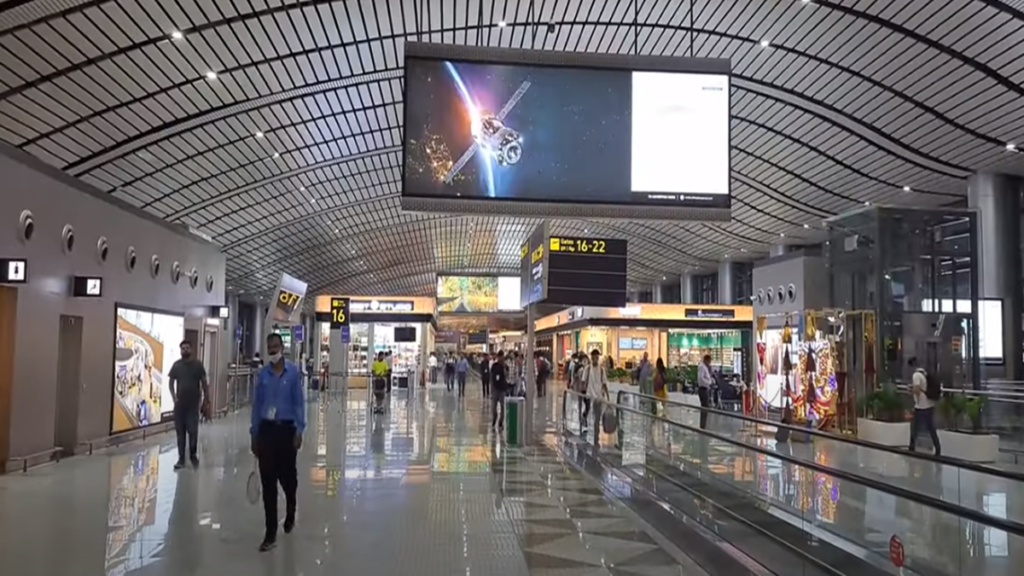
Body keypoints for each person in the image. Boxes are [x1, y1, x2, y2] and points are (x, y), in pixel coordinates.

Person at [251, 333, 306, 552]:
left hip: (286, 430)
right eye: (270, 347)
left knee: (288, 478)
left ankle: (291, 507)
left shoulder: (292, 374)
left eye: (276, 346)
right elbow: (257, 406)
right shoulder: (262, 375)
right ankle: (270, 532)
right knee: (268, 483)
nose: (273, 351)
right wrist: (254, 434)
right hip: (266, 431)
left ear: (282, 347)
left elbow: (299, 403)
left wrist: (299, 430)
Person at [168, 340, 209, 470]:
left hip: (193, 405)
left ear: (191, 350)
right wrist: (174, 397)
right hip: (180, 406)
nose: (185, 350)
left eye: (187, 348)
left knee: (193, 430)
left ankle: (192, 454)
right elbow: (171, 382)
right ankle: (181, 459)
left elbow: (204, 383)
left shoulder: (197, 365)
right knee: (180, 433)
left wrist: (206, 400)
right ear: (180, 351)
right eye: (183, 348)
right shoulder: (177, 366)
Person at [908, 357, 941, 456]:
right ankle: (938, 448)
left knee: (915, 427)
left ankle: (911, 447)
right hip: (930, 404)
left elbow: (917, 390)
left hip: (921, 406)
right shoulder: (924, 372)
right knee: (931, 428)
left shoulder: (916, 375)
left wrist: (911, 391)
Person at [579, 349, 608, 430]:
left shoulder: (602, 370)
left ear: (598, 358)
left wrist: (608, 397)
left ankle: (596, 430)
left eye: (596, 358)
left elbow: (604, 383)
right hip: (588, 394)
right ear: (591, 358)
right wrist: (581, 393)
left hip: (598, 395)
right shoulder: (587, 369)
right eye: (593, 358)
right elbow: (583, 381)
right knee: (587, 410)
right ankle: (584, 422)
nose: (595, 360)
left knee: (597, 413)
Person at [490, 351, 509, 429]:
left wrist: (504, 367)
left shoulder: (505, 366)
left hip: (502, 389)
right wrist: (491, 388)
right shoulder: (494, 366)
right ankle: (494, 418)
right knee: (493, 407)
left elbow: (506, 375)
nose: (500, 358)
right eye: (499, 357)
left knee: (502, 406)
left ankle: (501, 422)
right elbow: (491, 377)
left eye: (501, 357)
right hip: (495, 389)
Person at [697, 354, 714, 430]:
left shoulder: (705, 368)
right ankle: (702, 425)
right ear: (706, 360)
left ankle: (704, 424)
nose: (709, 363)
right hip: (703, 389)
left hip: (706, 389)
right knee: (704, 407)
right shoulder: (702, 367)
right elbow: (700, 379)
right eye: (709, 361)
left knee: (706, 407)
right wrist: (708, 383)